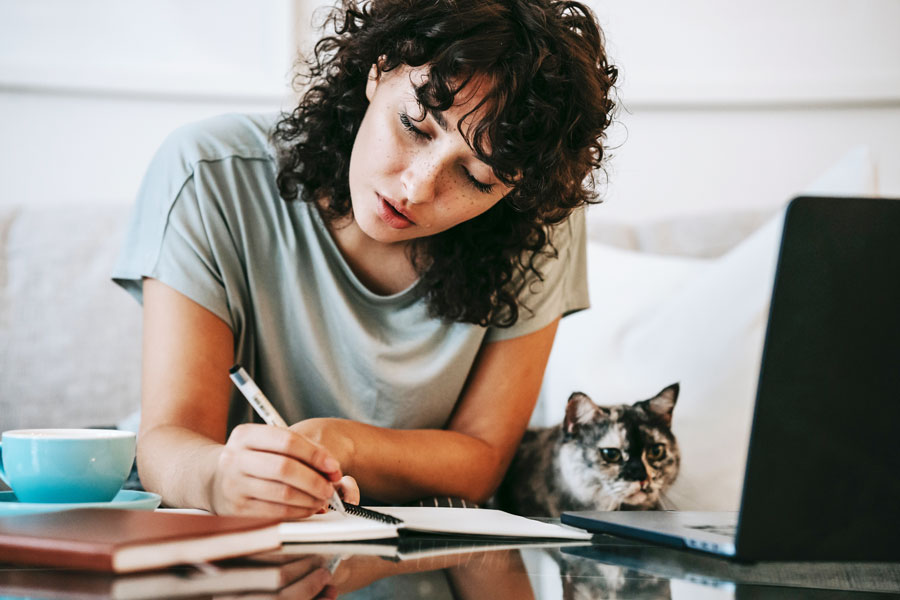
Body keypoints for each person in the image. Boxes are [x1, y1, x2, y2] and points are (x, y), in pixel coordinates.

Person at [113, 0, 617, 518]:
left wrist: (341, 443)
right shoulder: (210, 173)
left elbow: (482, 457)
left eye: (476, 177)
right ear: (379, 68)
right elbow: (169, 441)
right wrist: (221, 479)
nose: (417, 187)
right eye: (414, 126)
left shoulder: (538, 227)